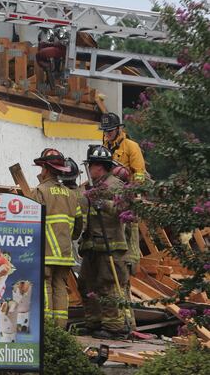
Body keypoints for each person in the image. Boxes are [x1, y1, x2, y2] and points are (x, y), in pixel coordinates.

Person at [77, 145, 131, 339]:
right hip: (91, 246)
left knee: (107, 286)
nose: (89, 169)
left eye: (91, 165)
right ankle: (94, 322)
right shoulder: (90, 186)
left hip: (111, 246)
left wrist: (104, 204)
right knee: (85, 284)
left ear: (99, 166)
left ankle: (114, 327)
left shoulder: (115, 184)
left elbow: (126, 209)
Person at [31, 149, 80, 328]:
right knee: (61, 288)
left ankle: (47, 329)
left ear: (45, 169)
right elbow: (79, 225)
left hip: (46, 252)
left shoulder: (40, 191)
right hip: (65, 253)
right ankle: (60, 327)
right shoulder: (72, 194)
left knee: (45, 286)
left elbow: (32, 223)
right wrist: (67, 238)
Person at [100, 112, 147, 182]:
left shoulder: (131, 146)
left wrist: (137, 189)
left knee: (120, 171)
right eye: (105, 130)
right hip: (108, 186)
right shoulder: (103, 148)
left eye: (110, 130)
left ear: (118, 129)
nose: (107, 133)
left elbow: (139, 171)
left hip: (126, 187)